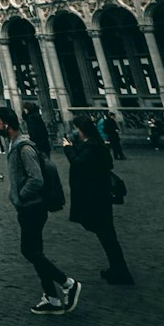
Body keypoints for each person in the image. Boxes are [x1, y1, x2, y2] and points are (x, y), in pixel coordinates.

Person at [0, 106, 80, 316]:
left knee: (29, 251)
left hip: (32, 207)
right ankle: (51, 298)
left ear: (6, 125)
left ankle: (68, 283)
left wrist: (20, 196)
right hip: (27, 207)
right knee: (36, 253)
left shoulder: (23, 147)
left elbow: (36, 179)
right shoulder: (14, 144)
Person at [64, 113, 132, 284]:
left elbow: (78, 162)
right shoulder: (96, 144)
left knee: (106, 235)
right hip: (100, 196)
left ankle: (121, 272)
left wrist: (68, 148)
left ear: (82, 129)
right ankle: (117, 268)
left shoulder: (91, 147)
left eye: (76, 128)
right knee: (107, 235)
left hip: (94, 197)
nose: (75, 131)